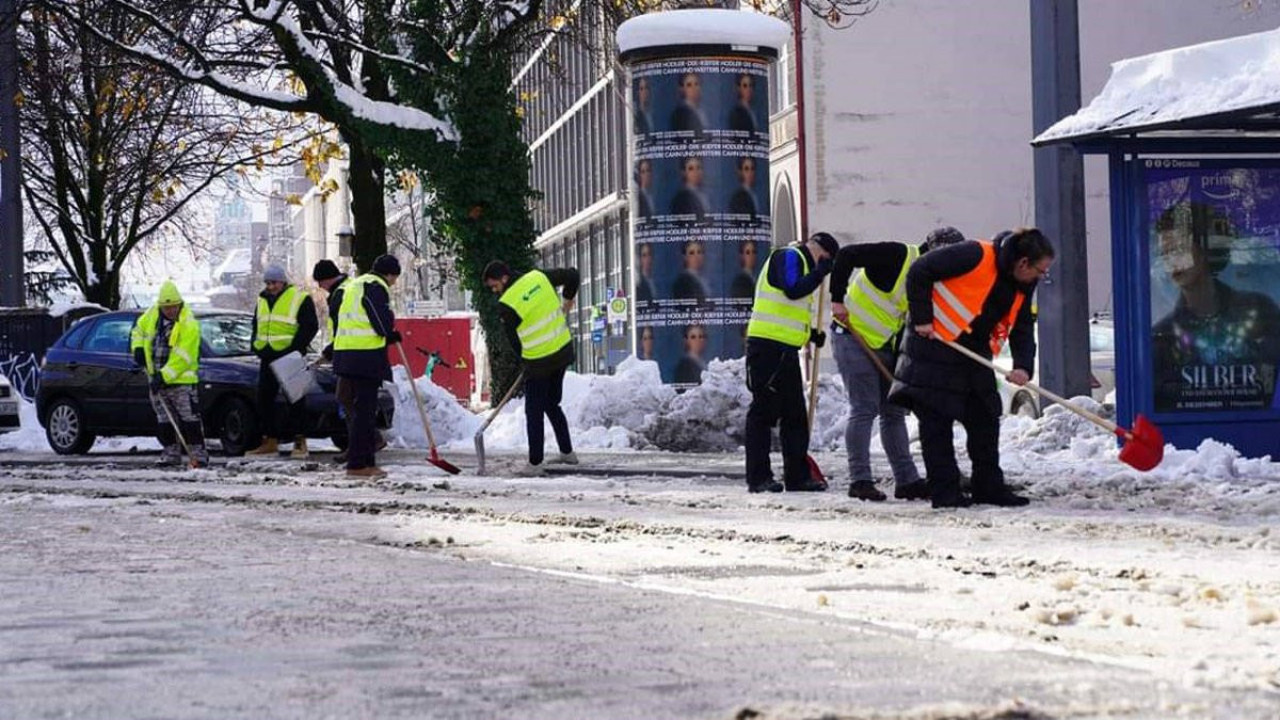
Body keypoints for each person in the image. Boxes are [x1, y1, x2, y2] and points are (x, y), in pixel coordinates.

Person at [888, 228, 1054, 508]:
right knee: (936, 424)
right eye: (1041, 271)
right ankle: (945, 492)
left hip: (972, 353)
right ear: (1023, 262)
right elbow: (919, 271)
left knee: (985, 418)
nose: (1042, 277)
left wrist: (1023, 366)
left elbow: (1022, 324)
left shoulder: (1023, 283)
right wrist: (922, 318)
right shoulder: (974, 254)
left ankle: (988, 487)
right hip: (932, 347)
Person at [829, 227, 965, 502]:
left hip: (884, 345)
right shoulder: (896, 255)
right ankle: (860, 480)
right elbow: (846, 255)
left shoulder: (929, 280)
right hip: (851, 335)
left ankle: (907, 481)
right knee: (865, 407)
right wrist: (837, 299)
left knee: (894, 410)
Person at [1151, 201, 1280, 412]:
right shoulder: (1161, 336)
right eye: (1164, 254)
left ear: (1204, 249)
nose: (1171, 262)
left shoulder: (1261, 311)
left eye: (1178, 250)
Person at [743, 232, 838, 493]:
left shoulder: (805, 266)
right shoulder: (789, 256)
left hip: (786, 351)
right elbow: (792, 289)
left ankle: (797, 476)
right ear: (820, 251)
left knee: (795, 415)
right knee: (763, 413)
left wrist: (811, 334)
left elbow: (788, 311)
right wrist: (819, 273)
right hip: (766, 349)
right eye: (827, 260)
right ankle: (759, 478)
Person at [483, 260, 581, 476]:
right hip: (563, 351)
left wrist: (526, 362)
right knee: (551, 403)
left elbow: (515, 343)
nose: (494, 290)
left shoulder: (507, 304)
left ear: (504, 279)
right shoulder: (539, 277)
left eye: (494, 286)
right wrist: (567, 301)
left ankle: (535, 463)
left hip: (539, 362)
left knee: (533, 411)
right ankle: (567, 452)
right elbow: (573, 275)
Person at [333, 254, 401, 479]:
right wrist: (390, 332)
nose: (394, 283)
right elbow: (380, 322)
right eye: (394, 278)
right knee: (365, 413)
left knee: (361, 411)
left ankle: (364, 462)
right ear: (389, 274)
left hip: (347, 354)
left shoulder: (355, 285)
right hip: (364, 357)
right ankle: (358, 464)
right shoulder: (375, 286)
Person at [130, 280, 209, 468]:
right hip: (156, 377)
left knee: (189, 419)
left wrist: (164, 376)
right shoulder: (151, 315)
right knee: (164, 420)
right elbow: (138, 332)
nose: (170, 311)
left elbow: (184, 357)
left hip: (181, 381)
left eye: (173, 307)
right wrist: (138, 348)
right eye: (167, 307)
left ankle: (198, 455)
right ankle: (170, 453)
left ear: (179, 304)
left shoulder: (188, 324)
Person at [245, 264, 319, 459]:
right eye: (268, 283)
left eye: (274, 282)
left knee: (296, 400)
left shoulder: (299, 298)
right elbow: (256, 324)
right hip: (267, 355)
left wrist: (295, 348)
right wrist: (255, 344)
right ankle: (270, 440)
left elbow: (310, 326)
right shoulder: (262, 300)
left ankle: (299, 441)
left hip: (290, 357)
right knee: (264, 399)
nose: (270, 286)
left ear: (283, 282)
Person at [670, 156, 708, 221]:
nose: (696, 172)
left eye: (698, 168)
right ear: (683, 173)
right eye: (691, 169)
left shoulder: (703, 195)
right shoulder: (680, 199)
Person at [671, 239, 710, 303]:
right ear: (685, 257)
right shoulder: (682, 282)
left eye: (699, 252)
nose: (696, 256)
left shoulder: (702, 279)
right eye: (692, 253)